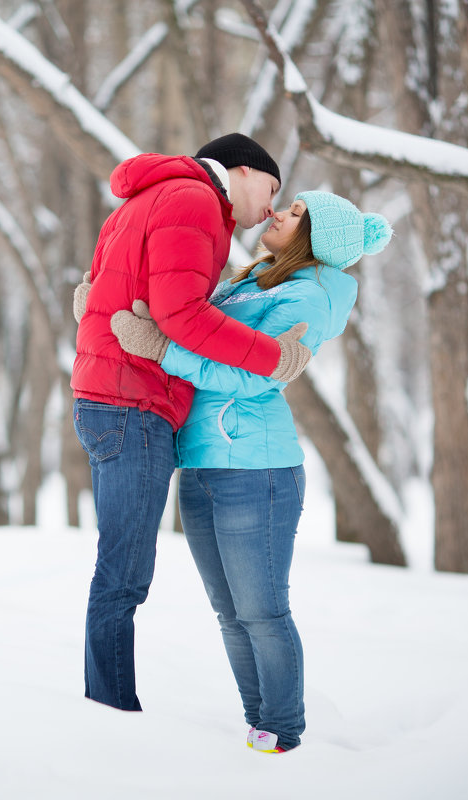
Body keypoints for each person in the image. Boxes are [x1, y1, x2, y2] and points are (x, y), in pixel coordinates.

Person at [109, 190, 392, 751]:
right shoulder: (254, 281)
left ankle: (282, 733)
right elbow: (199, 329)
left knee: (261, 610)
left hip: (255, 468)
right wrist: (137, 310)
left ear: (312, 240)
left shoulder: (307, 300)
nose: (277, 214)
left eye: (293, 215)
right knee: (229, 612)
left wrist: (161, 351)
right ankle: (257, 723)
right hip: (203, 460)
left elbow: (255, 377)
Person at [70, 133, 313, 712]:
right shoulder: (197, 200)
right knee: (124, 575)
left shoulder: (146, 196)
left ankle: (105, 708)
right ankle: (108, 714)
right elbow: (182, 314)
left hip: (107, 395)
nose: (271, 207)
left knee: (120, 570)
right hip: (134, 401)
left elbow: (99, 283)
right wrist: (270, 356)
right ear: (243, 171)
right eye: (272, 187)